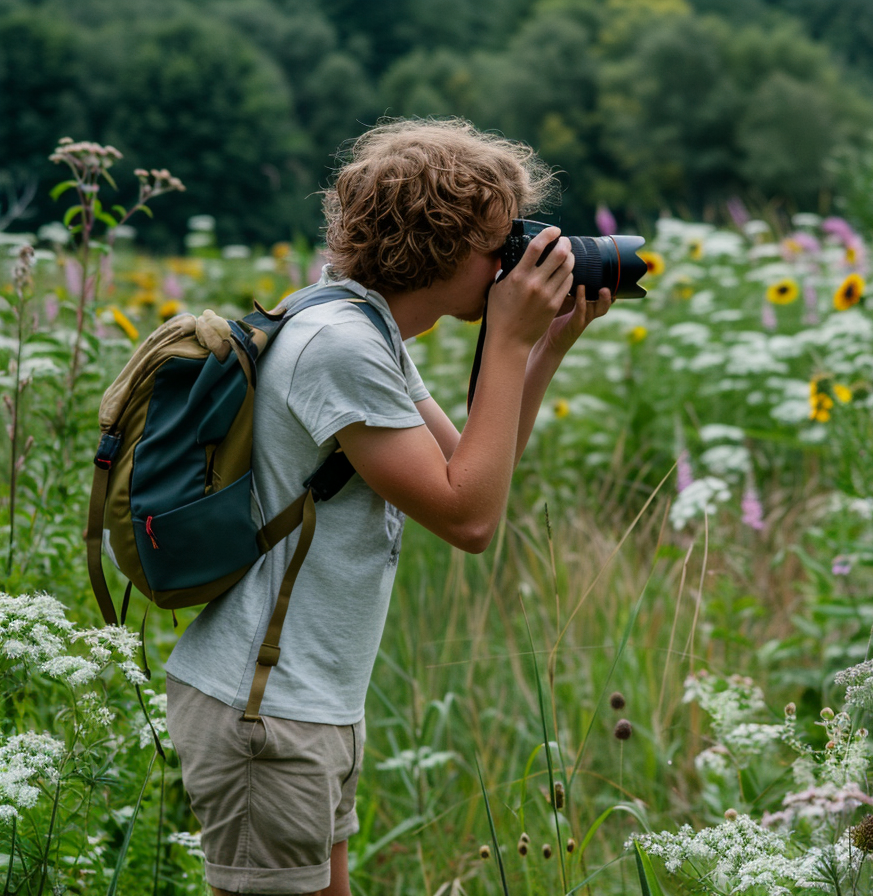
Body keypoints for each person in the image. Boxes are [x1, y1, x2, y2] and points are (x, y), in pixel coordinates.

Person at [162, 118, 611, 896]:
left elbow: (468, 466)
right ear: (442, 249)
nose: (513, 263)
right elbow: (467, 520)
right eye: (500, 245)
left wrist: (541, 351)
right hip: (267, 711)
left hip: (309, 700)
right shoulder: (339, 345)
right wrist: (505, 342)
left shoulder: (362, 327)